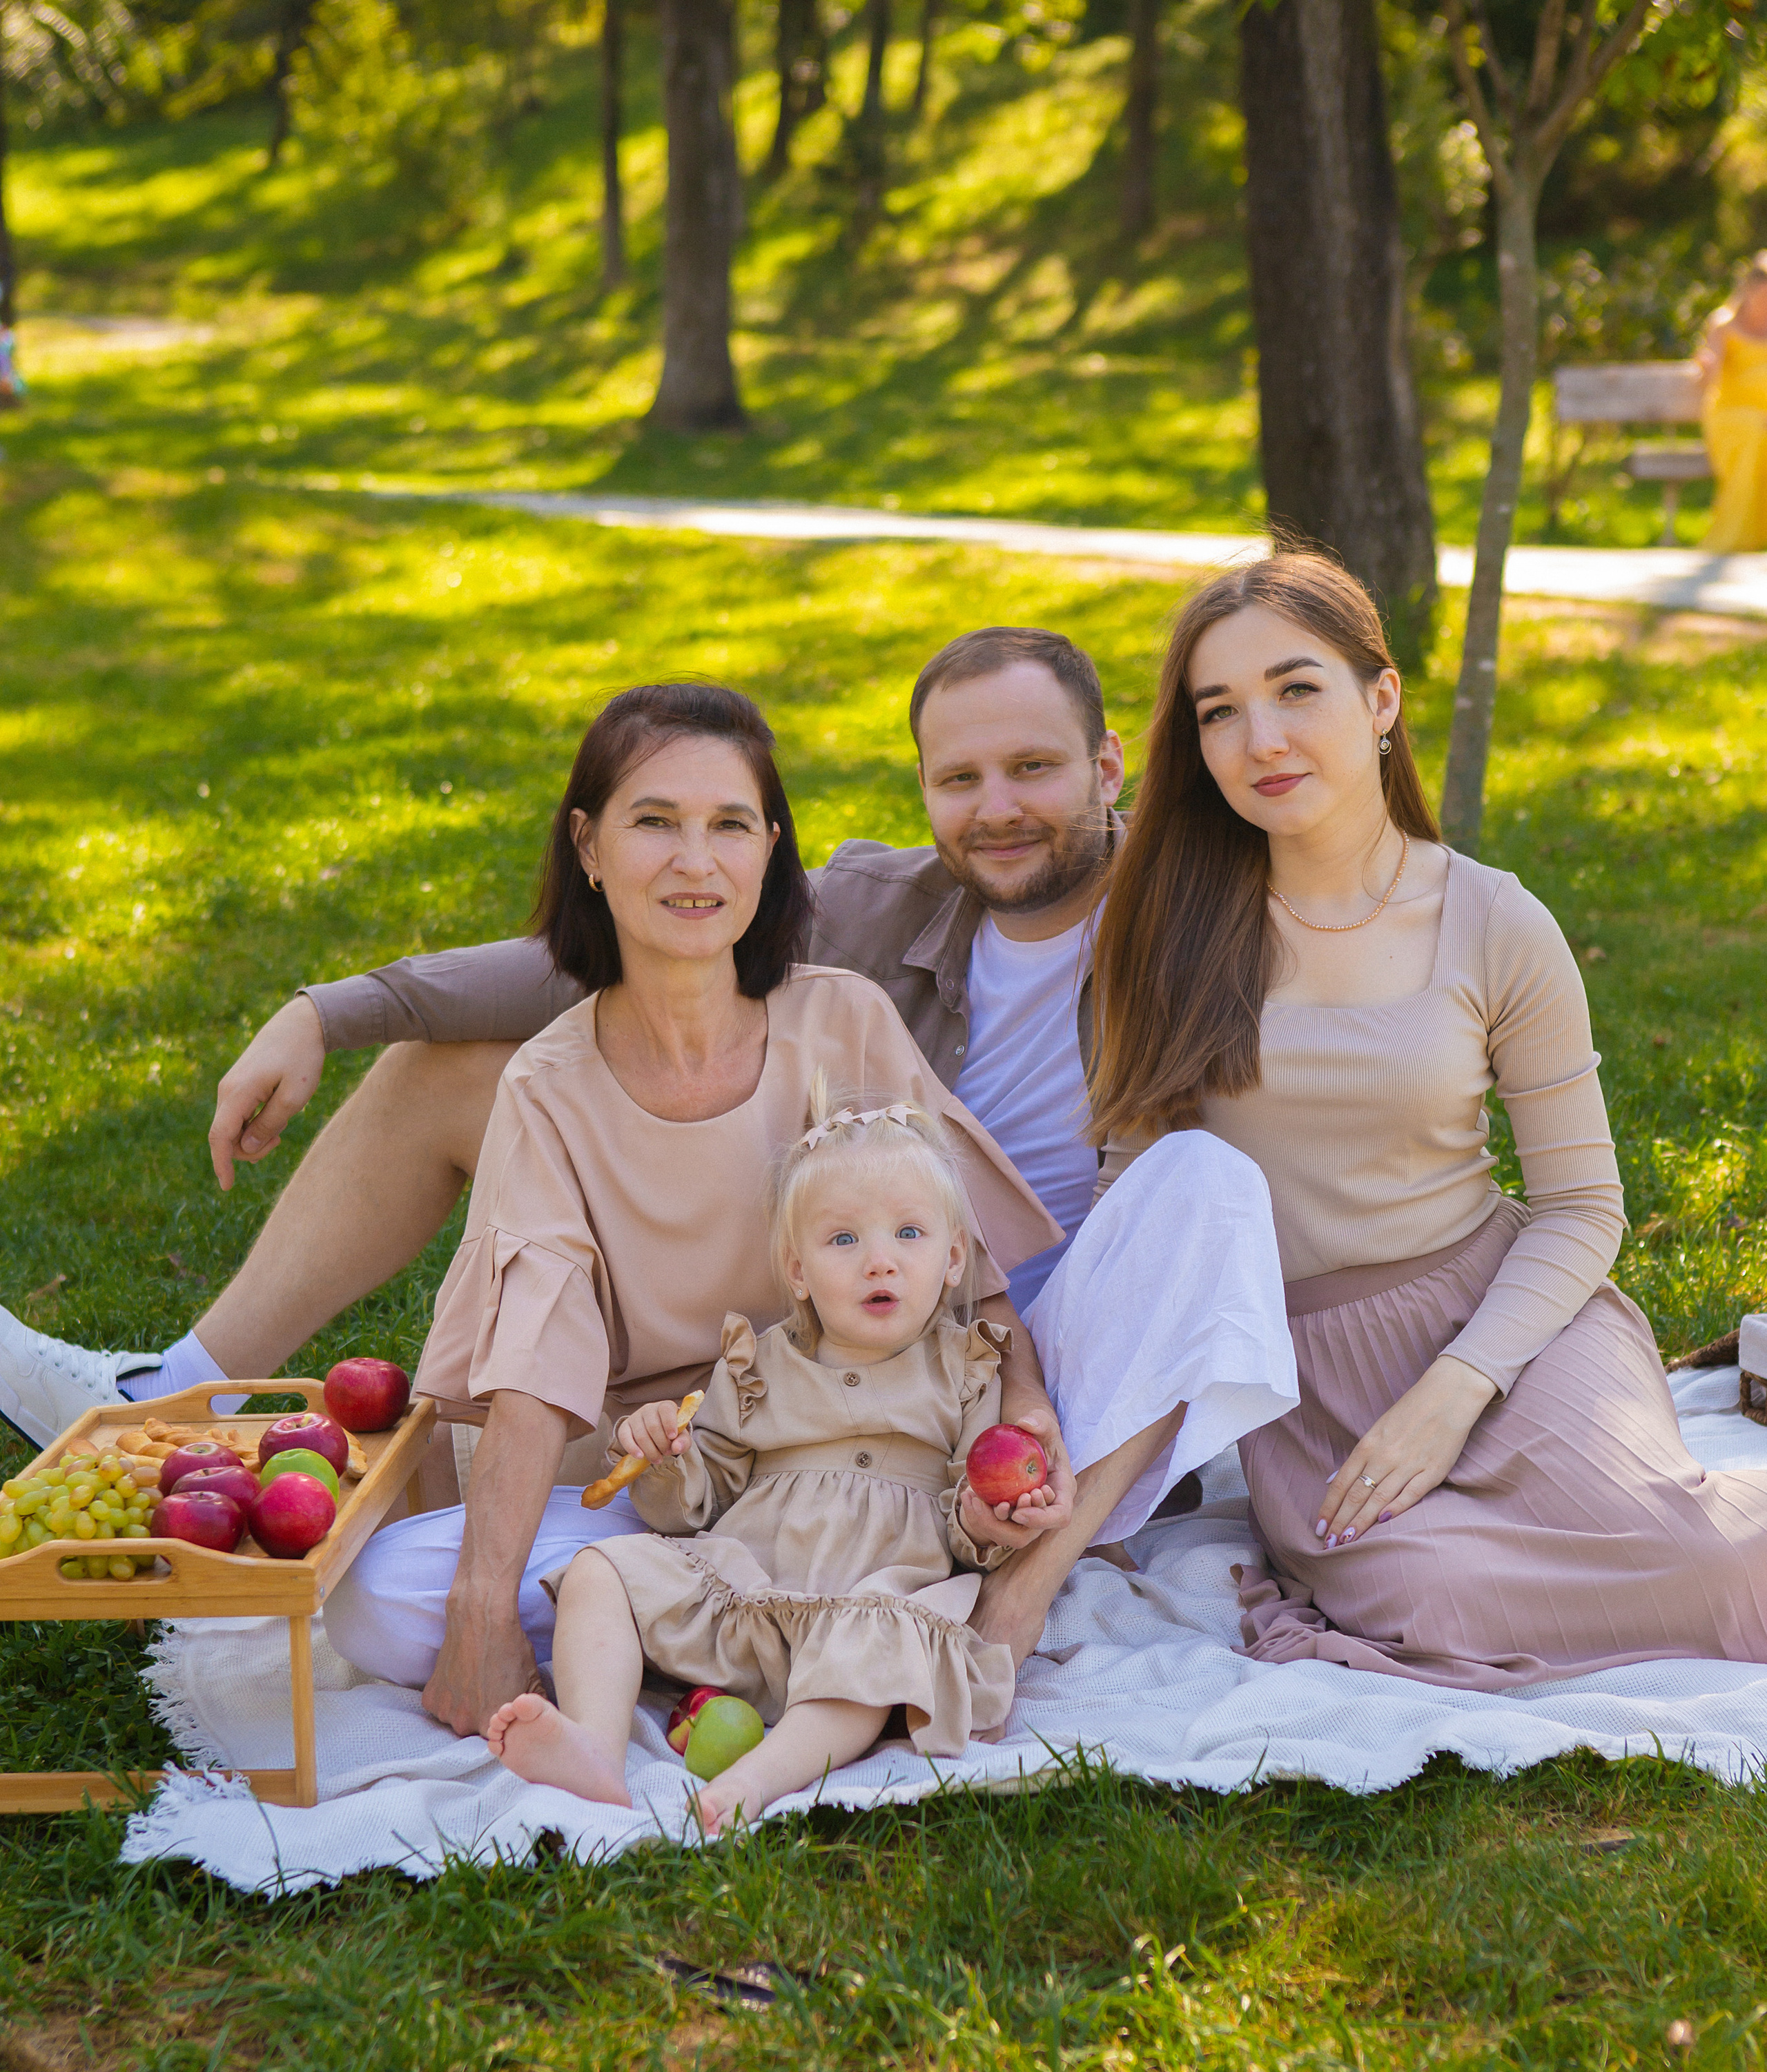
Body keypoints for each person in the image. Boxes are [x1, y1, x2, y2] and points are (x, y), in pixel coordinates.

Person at [0, 628, 1298, 1665]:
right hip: (797, 1310)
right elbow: (612, 945)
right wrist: (326, 1010)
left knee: (1205, 1185)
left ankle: (996, 1579)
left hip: (1026, 1341)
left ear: (1111, 764)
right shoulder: (867, 901)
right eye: (960, 778)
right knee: (449, 1078)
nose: (997, 808)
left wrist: (1009, 1408)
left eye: (1036, 769)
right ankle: (167, 1399)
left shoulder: (1190, 922)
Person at [320, 678, 1295, 1733]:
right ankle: (823, 1634)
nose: (696, 862)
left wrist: (1025, 1416)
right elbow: (535, 1376)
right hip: (698, 1494)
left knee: (1206, 1185)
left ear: (768, 853)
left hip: (909, 1469)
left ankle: (967, 1613)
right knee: (379, 1604)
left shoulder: (845, 1021)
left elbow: (974, 1275)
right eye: (655, 824)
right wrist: (476, 1607)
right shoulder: (550, 1086)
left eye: (729, 826)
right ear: (590, 848)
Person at [1086, 548, 1767, 1688]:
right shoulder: (1167, 926)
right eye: (1221, 712)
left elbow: (1581, 1207)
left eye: (1297, 689)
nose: (1262, 741)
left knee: (1707, 1563)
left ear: (1382, 699)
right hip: (1306, 1370)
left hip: (1509, 1321)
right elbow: (1138, 1202)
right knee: (1436, 1599)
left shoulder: (1496, 920)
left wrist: (1457, 1388)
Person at [487, 1081, 1047, 1833]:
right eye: (844, 1240)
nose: (879, 1262)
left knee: (880, 1651)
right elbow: (696, 1498)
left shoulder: (965, 1367)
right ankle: (593, 1745)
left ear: (952, 1261)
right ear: (797, 1272)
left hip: (868, 1604)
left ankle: (758, 1779)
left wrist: (985, 1518)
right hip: (745, 1597)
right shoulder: (760, 1363)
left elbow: (962, 1516)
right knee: (601, 1569)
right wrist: (660, 1456)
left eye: (908, 1235)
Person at [1699, 255, 1767, 554]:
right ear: (1749, 289)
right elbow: (1710, 374)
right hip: (1730, 417)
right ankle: (1737, 536)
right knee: (1755, 429)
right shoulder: (1724, 323)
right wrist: (1707, 364)